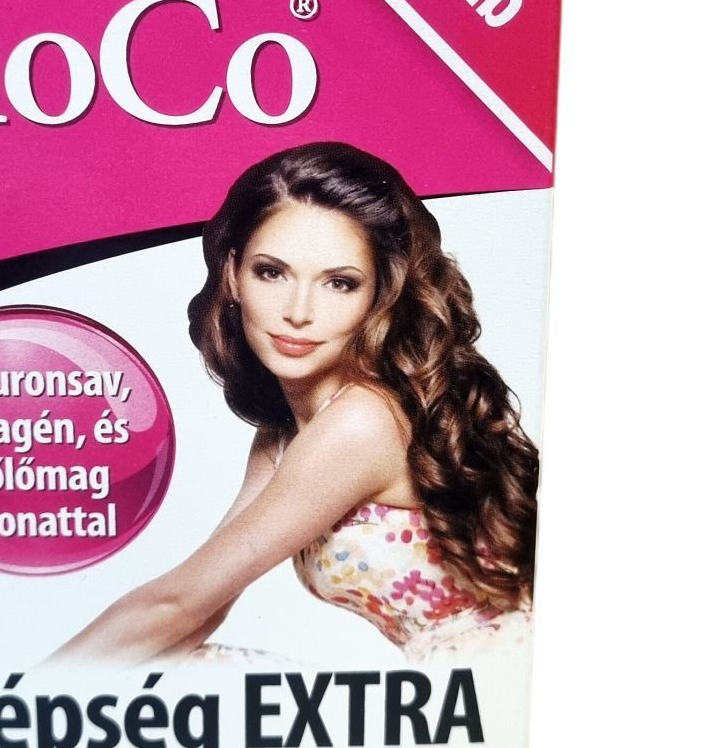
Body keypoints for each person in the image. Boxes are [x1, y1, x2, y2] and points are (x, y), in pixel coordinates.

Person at [52, 142, 539, 665]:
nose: (298, 312)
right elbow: (199, 604)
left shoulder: (362, 421)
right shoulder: (284, 435)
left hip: (508, 676)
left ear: (379, 296)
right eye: (272, 272)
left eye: (339, 283)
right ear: (233, 273)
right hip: (447, 682)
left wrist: (30, 691)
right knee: (167, 666)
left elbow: (177, 605)